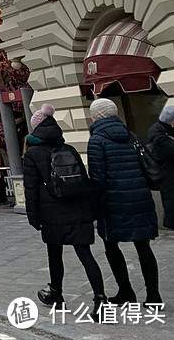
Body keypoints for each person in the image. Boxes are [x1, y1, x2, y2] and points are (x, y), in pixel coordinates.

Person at [22, 103, 106, 314]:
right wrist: (92, 210)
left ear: (35, 129)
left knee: (54, 253)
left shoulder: (33, 153)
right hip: (78, 208)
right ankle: (100, 298)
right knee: (85, 254)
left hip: (51, 211)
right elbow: (84, 181)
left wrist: (33, 216)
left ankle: (56, 293)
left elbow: (30, 188)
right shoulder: (68, 148)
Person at [86, 97, 162, 306]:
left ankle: (126, 291)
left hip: (112, 202)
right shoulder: (130, 136)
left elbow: (97, 178)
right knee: (143, 247)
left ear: (96, 116)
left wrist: (94, 206)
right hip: (139, 198)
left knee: (112, 247)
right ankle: (153, 296)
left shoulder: (97, 140)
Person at [148, 105, 174, 231]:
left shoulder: (168, 132)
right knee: (173, 207)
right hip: (171, 179)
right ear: (172, 123)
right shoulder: (160, 138)